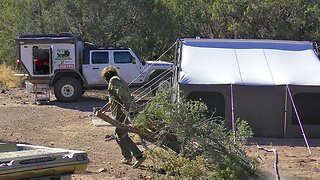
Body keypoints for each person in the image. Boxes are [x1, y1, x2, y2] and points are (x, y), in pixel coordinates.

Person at [101, 65, 146, 168]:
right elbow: (113, 99)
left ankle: (138, 156)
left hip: (123, 113)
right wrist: (102, 110)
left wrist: (128, 109)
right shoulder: (119, 79)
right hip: (122, 111)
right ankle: (127, 157)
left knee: (120, 134)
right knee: (119, 135)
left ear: (106, 77)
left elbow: (122, 95)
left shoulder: (113, 81)